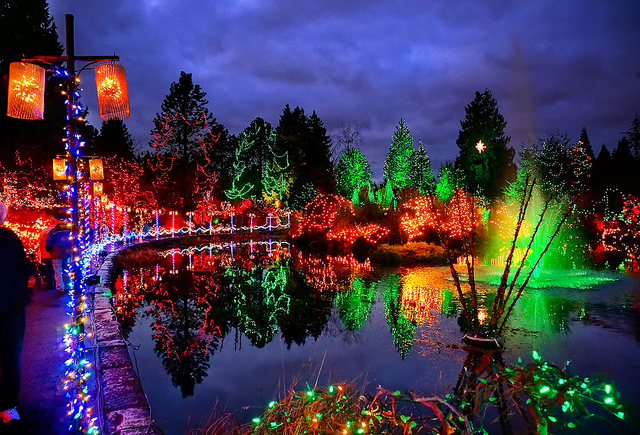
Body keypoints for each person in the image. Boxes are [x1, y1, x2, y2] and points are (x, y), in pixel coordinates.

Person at [0, 203, 36, 424]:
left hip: (10, 306)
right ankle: (7, 406)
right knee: (10, 356)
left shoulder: (9, 238)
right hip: (10, 309)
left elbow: (23, 265)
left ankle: (7, 404)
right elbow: (23, 265)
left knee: (10, 356)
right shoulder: (9, 238)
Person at [45, 219, 73, 294]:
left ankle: (60, 287)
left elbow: (49, 242)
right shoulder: (69, 231)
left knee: (58, 271)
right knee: (66, 269)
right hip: (67, 252)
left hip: (56, 252)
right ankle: (67, 285)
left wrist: (49, 250)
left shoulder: (53, 231)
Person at [38, 216, 59, 290]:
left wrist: (41, 254)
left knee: (48, 269)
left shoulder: (44, 232)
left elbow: (40, 243)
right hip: (56, 252)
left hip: (46, 253)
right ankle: (58, 284)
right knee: (57, 269)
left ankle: (51, 284)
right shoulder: (58, 230)